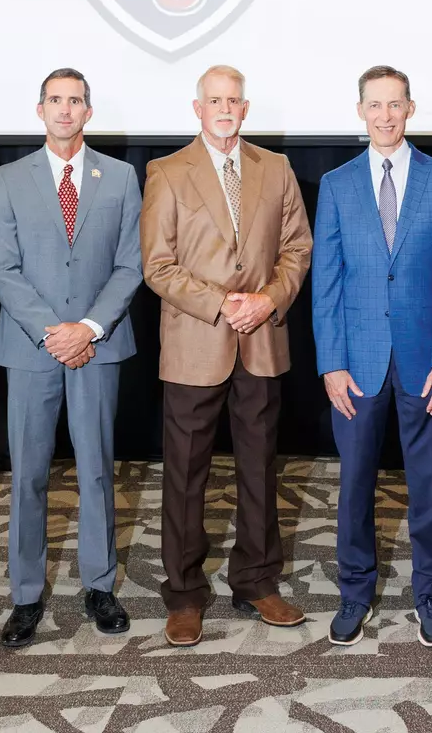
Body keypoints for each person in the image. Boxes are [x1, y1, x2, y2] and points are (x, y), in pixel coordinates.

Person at [140, 65, 313, 647]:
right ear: (197, 108)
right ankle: (185, 594)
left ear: (246, 108)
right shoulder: (166, 172)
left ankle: (257, 582)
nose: (224, 108)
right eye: (214, 99)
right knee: (186, 475)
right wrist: (222, 305)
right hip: (195, 342)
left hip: (261, 341)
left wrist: (265, 301)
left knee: (260, 471)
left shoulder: (277, 168)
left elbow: (296, 248)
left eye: (233, 100)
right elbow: (157, 265)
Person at [0, 68, 143, 648]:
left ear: (88, 112)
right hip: (32, 349)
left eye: (75, 100)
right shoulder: (8, 178)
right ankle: (26, 597)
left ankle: (100, 586)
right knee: (27, 474)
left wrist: (89, 329)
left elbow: (131, 264)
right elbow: (3, 268)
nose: (65, 109)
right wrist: (54, 332)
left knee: (98, 469)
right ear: (40, 109)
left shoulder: (122, 177)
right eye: (55, 100)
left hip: (97, 348)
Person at [312, 66, 432, 647]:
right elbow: (326, 282)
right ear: (360, 111)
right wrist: (331, 363)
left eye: (394, 104)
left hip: (426, 361)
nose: (384, 115)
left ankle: (429, 590)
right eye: (374, 105)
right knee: (354, 484)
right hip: (356, 363)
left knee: (427, 483)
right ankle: (355, 592)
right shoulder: (337, 184)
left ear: (410, 109)